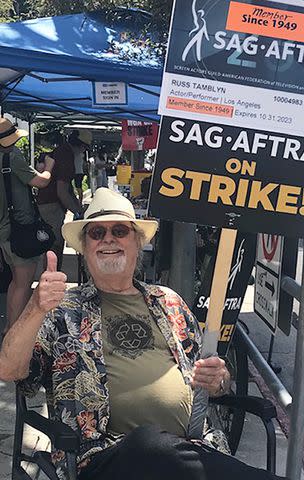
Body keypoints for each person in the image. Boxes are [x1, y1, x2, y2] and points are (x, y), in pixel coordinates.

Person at [0, 189, 285, 480]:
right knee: (148, 444)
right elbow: (9, 370)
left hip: (192, 448)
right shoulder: (61, 310)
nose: (108, 239)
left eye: (120, 230)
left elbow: (215, 381)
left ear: (138, 244)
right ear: (85, 248)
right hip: (102, 458)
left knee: (160, 450)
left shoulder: (169, 301)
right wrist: (34, 308)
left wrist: (219, 378)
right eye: (96, 232)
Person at [0, 118, 54, 329]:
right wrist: (48, 167)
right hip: (20, 228)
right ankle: (14, 332)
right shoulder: (11, 156)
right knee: (23, 283)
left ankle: (9, 327)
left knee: (15, 281)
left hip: (5, 229)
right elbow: (41, 181)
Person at [37, 129, 92, 270]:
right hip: (51, 206)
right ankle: (51, 281)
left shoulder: (61, 151)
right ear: (82, 146)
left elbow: (68, 189)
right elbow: (62, 191)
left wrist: (78, 207)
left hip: (47, 204)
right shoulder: (67, 157)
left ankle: (50, 278)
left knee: (51, 245)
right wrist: (78, 212)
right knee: (54, 247)